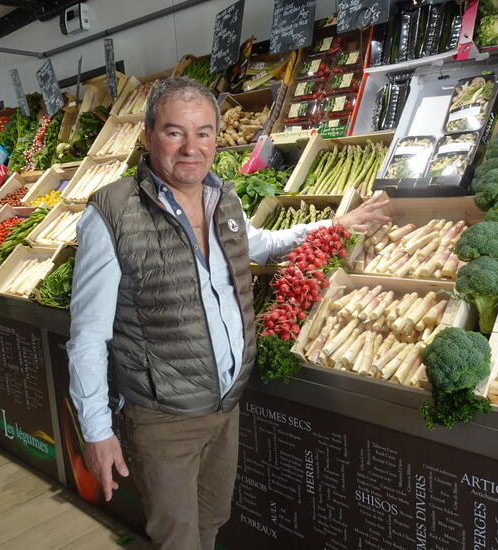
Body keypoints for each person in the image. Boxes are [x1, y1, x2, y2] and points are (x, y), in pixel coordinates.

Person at [67, 76, 389, 550]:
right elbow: (88, 336)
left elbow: (262, 245)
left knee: (212, 520)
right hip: (162, 418)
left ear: (218, 136)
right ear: (148, 134)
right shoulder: (111, 213)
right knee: (176, 539)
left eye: (204, 133)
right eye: (175, 132)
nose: (191, 148)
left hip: (224, 407)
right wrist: (96, 431)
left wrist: (335, 225)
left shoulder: (227, 201)